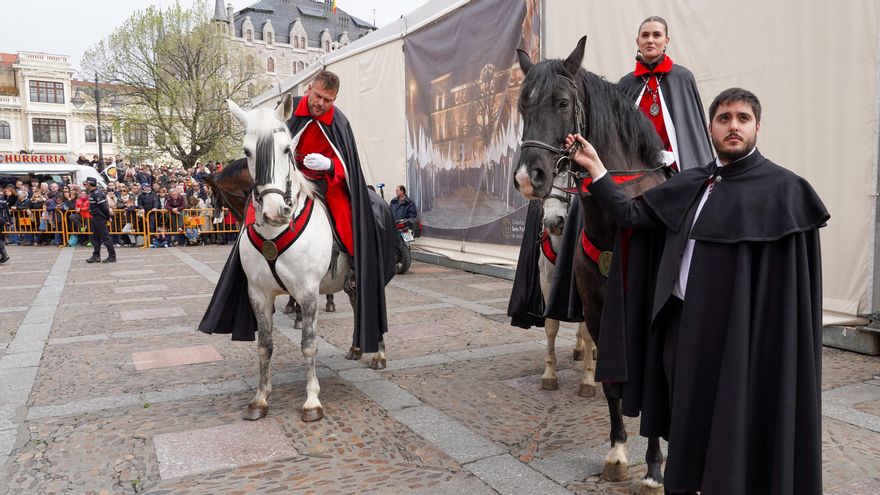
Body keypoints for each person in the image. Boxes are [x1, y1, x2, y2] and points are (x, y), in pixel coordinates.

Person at [565, 88, 828, 495]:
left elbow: (789, 297)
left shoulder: (785, 192)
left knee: (735, 427)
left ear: (758, 126)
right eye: (724, 119)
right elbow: (630, 215)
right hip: (682, 333)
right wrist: (598, 169)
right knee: (686, 428)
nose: (734, 126)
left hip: (742, 342)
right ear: (711, 128)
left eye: (743, 118)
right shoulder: (693, 182)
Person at [200, 69, 400, 357]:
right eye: (318, 96)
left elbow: (350, 165)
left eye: (328, 100)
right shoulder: (287, 111)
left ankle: (355, 267)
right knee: (251, 217)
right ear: (309, 88)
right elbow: (264, 145)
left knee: (346, 216)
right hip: (288, 183)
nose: (321, 104)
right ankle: (247, 269)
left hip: (326, 184)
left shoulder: (339, 121)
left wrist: (331, 166)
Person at [618, 15, 714, 172]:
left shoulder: (682, 78)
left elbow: (690, 129)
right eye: (645, 35)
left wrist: (671, 155)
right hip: (635, 166)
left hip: (676, 164)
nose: (650, 40)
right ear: (638, 42)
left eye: (656, 35)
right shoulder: (626, 84)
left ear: (666, 41)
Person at [83, 177, 116, 263]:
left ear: (90, 183)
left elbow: (104, 208)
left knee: (105, 237)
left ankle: (112, 256)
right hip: (94, 217)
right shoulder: (92, 193)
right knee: (95, 238)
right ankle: (96, 255)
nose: (85, 184)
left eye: (86, 183)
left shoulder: (98, 194)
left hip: (100, 218)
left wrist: (108, 217)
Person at [0, 187, 10, 263]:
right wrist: (8, 220)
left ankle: (4, 254)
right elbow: (7, 210)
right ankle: (4, 254)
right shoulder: (2, 199)